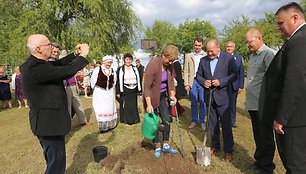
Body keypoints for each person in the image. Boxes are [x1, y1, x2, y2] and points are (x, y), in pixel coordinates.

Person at [20, 34, 89, 174]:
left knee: (54, 162)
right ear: (39, 49)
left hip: (48, 123)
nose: (52, 47)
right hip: (48, 124)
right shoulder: (34, 68)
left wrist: (75, 54)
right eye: (49, 45)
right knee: (56, 166)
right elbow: (66, 71)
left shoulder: (37, 64)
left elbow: (58, 64)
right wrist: (83, 56)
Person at [259, 2, 306, 173]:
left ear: (295, 17)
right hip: (294, 118)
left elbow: (295, 81)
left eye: (280, 23)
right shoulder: (295, 40)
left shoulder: (300, 41)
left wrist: (281, 117)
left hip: (294, 120)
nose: (278, 28)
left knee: (295, 166)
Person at [195, 39, 238, 162]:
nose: (209, 54)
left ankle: (228, 150)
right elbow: (198, 75)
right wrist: (204, 82)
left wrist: (221, 82)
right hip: (209, 97)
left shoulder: (228, 59)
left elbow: (235, 74)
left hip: (223, 97)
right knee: (212, 124)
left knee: (226, 125)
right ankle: (215, 146)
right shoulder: (203, 60)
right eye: (207, 51)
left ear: (218, 48)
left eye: (211, 51)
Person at [245, 28, 276, 172]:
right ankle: (260, 159)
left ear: (259, 38)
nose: (248, 45)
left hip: (262, 104)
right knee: (257, 134)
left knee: (265, 136)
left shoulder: (268, 54)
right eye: (246, 42)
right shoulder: (253, 55)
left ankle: (267, 166)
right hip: (252, 103)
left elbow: (274, 79)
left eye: (249, 42)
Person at [143, 45, 179, 158]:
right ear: (163, 56)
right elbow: (147, 88)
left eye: (172, 60)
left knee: (167, 119)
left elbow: (171, 83)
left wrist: (172, 96)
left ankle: (166, 144)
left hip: (163, 96)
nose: (171, 62)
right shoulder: (153, 65)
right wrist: (149, 105)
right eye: (169, 60)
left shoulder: (170, 66)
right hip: (152, 96)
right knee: (154, 122)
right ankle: (157, 145)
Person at [184, 37, 207, 130]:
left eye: (199, 45)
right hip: (192, 81)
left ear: (202, 45)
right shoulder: (189, 56)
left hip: (203, 81)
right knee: (193, 102)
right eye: (196, 45)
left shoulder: (206, 55)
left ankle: (202, 121)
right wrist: (186, 83)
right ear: (194, 45)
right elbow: (186, 70)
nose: (197, 47)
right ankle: (194, 120)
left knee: (203, 102)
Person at [91, 55, 118, 132]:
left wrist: (110, 88)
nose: (109, 64)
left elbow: (114, 81)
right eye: (108, 63)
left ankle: (111, 125)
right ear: (104, 62)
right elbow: (93, 81)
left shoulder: (112, 71)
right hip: (100, 92)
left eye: (110, 63)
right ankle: (103, 127)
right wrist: (95, 89)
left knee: (109, 108)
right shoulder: (98, 69)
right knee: (101, 109)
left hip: (109, 92)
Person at [116, 53, 142, 125]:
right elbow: (118, 81)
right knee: (126, 106)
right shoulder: (120, 69)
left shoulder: (135, 68)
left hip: (133, 89)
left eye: (130, 59)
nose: (128, 61)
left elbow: (139, 79)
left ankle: (134, 120)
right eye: (127, 59)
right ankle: (127, 120)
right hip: (125, 89)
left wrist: (140, 91)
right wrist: (118, 92)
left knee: (133, 105)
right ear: (124, 60)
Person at [225, 41, 245, 128]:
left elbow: (241, 72)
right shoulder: (222, 57)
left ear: (234, 48)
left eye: (231, 47)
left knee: (232, 104)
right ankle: (223, 121)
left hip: (234, 86)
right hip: (224, 85)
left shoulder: (239, 58)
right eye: (227, 47)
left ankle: (232, 121)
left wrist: (241, 86)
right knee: (224, 104)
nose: (229, 48)